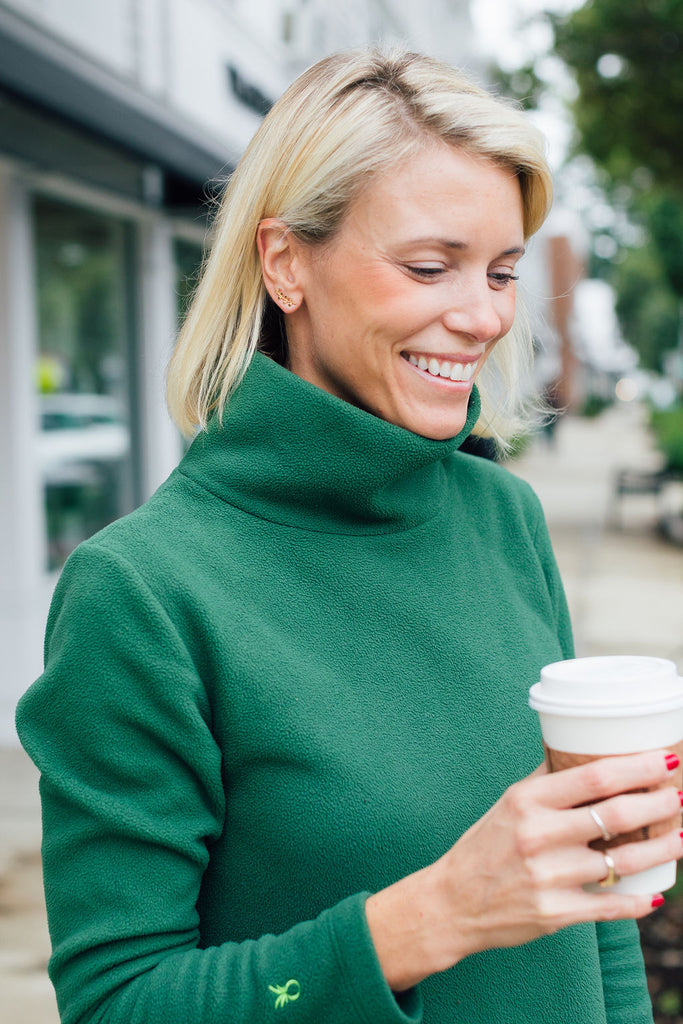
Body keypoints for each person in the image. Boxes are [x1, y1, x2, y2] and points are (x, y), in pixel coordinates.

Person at [16, 48, 682, 1024]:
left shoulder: (502, 519)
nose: (481, 315)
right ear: (284, 261)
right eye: (427, 265)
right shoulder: (143, 592)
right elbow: (122, 1002)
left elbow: (593, 912)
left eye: (500, 271)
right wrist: (426, 921)